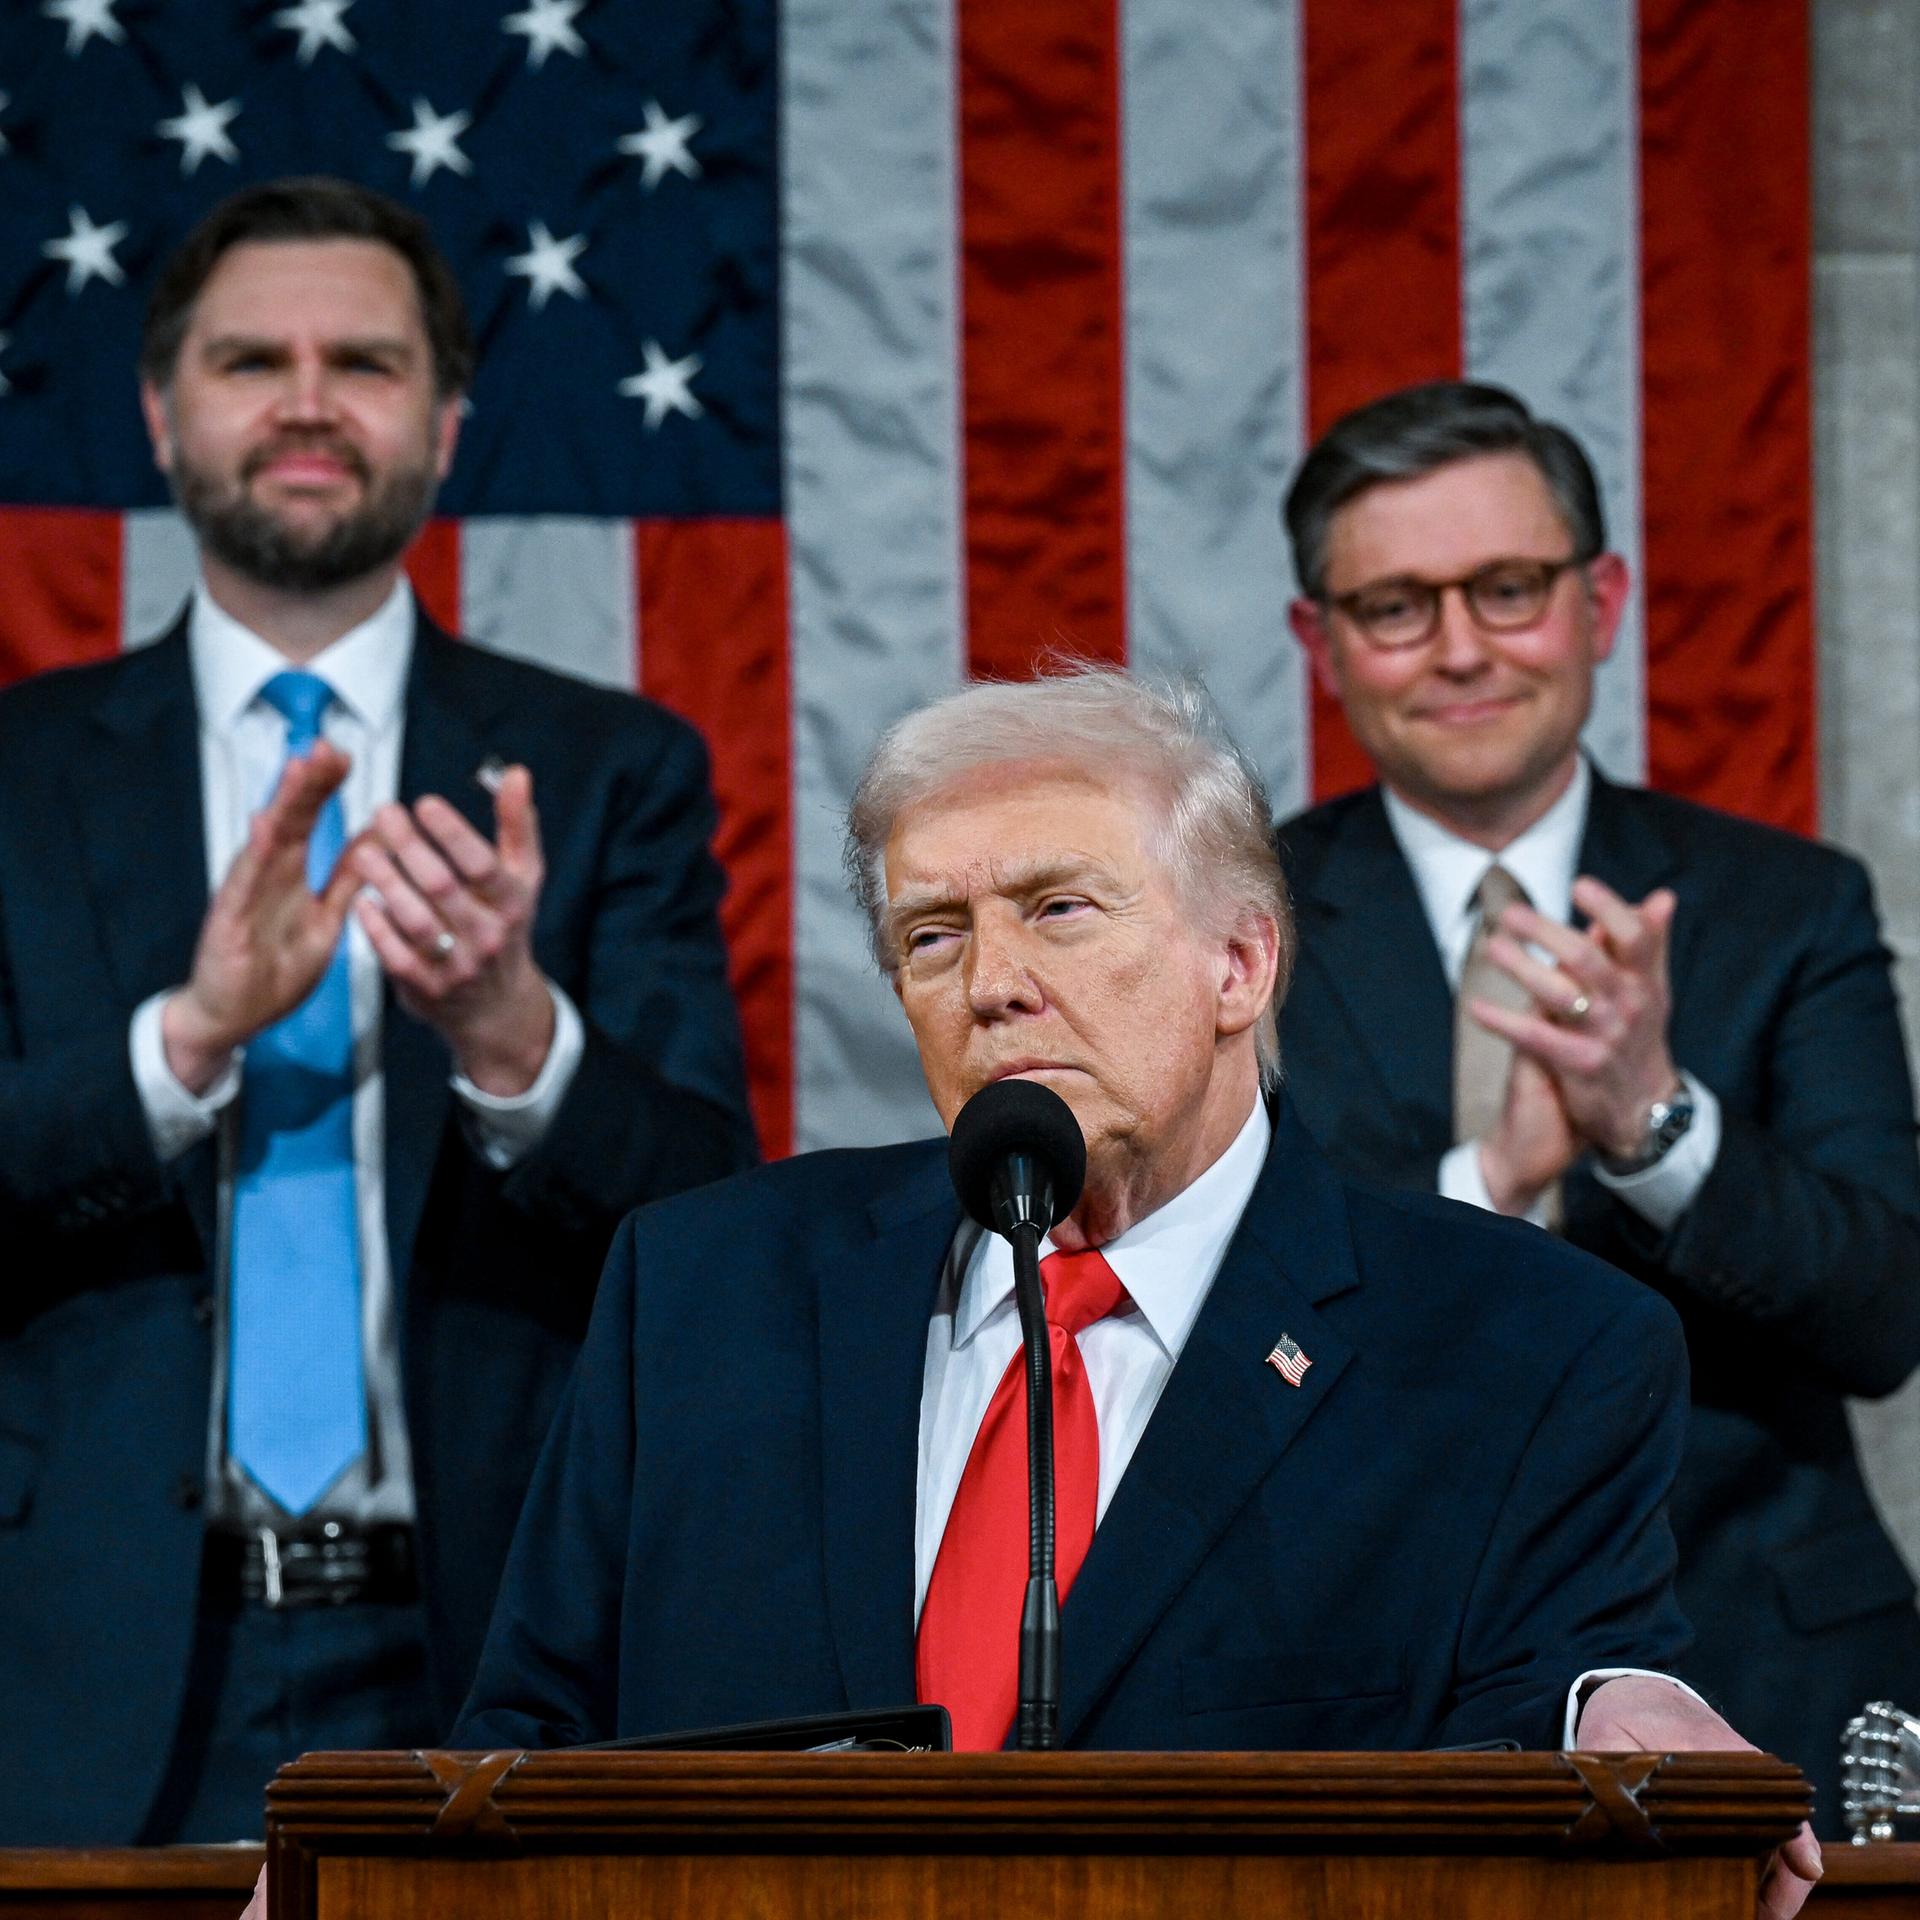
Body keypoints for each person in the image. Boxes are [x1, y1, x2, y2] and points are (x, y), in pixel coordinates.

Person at [451, 667, 1817, 1916]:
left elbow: (1561, 1702)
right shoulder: (703, 1291)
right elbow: (522, 1748)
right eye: (933, 937)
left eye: (1059, 909)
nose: (992, 986)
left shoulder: (1525, 1347)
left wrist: (1622, 1706)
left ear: (1241, 963)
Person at [0, 177, 757, 1845]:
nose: (307, 402)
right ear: (157, 411)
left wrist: (510, 1034)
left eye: (364, 361)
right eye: (251, 359)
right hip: (73, 1655)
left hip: (493, 1647)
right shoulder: (17, 773)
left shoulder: (609, 770)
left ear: (448, 421)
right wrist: (181, 1043)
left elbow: (711, 1212)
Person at [1276, 379, 1920, 1835]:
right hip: (1373, 1683)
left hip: (1766, 1668)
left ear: (1601, 600)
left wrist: (1652, 1119)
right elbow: (1212, 1323)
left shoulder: (1786, 905)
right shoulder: (1240, 925)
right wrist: (1489, 1183)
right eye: (1396, 606)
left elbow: (1887, 1315)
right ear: (1320, 644)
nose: (1459, 651)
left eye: (1507, 588)